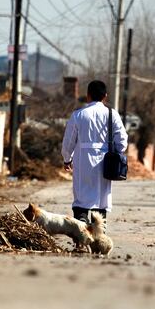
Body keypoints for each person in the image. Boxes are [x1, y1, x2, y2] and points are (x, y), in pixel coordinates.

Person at [61, 80, 128, 228]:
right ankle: (99, 234)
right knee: (101, 199)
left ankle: (81, 230)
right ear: (105, 96)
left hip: (82, 162)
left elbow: (68, 141)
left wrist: (67, 159)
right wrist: (117, 152)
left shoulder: (78, 115)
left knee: (81, 199)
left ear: (88, 95)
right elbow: (122, 141)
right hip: (106, 163)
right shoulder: (112, 114)